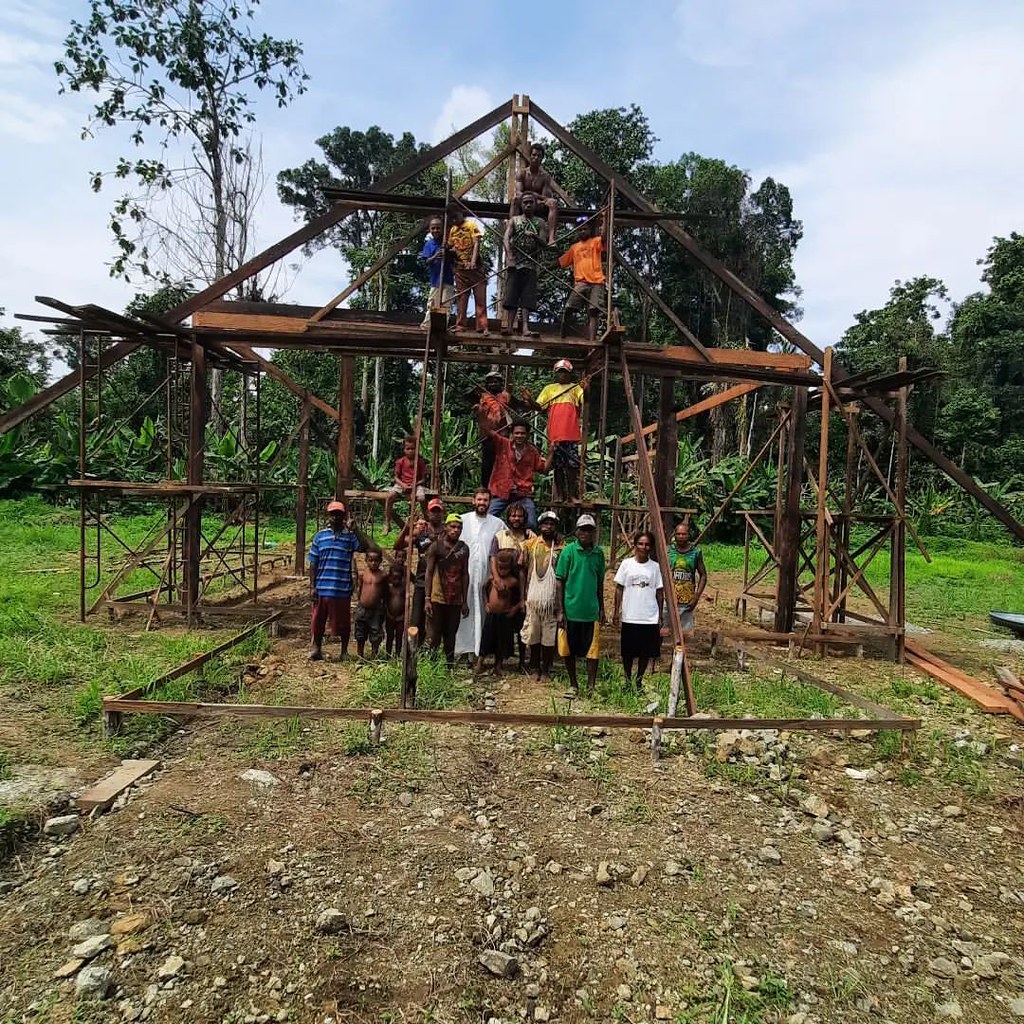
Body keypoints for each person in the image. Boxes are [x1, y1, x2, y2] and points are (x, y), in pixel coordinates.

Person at [308, 499, 381, 661]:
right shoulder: (320, 537)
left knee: (343, 623)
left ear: (344, 516)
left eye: (339, 514)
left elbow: (371, 548)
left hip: (342, 588)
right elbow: (313, 563)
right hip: (321, 587)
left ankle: (344, 651)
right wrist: (312, 586)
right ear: (328, 516)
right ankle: (316, 648)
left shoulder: (350, 538)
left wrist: (356, 531)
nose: (336, 517)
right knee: (317, 621)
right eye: (333, 514)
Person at [521, 359, 586, 503]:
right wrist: (530, 400)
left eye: (564, 372)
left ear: (569, 374)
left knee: (572, 466)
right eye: (559, 372)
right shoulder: (549, 389)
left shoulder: (575, 388)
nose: (562, 375)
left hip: (571, 434)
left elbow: (584, 400)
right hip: (555, 435)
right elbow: (539, 407)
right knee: (557, 467)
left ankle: (572, 495)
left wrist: (586, 389)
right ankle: (560, 495)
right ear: (555, 374)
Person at [555, 513, 606, 695]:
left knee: (592, 652)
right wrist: (560, 610)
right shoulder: (568, 552)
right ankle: (573, 684)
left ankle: (591, 686)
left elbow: (599, 582)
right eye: (582, 529)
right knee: (568, 649)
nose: (585, 533)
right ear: (576, 531)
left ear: (593, 532)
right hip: (570, 609)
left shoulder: (598, 554)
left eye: (589, 530)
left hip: (590, 610)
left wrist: (602, 608)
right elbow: (560, 580)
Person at [477, 412, 549, 530]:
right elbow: (488, 431)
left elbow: (544, 469)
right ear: (512, 434)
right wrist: (480, 414)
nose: (519, 436)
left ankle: (525, 547)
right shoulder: (504, 444)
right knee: (487, 519)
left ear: (527, 435)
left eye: (522, 433)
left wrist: (551, 451)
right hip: (502, 492)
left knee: (531, 523)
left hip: (522, 494)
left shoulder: (532, 452)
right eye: (517, 433)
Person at [455, 489, 504, 660]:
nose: (482, 503)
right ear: (473, 501)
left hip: (486, 576)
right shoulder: (462, 520)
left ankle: (480, 652)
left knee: (483, 611)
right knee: (463, 610)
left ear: (490, 502)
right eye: (479, 499)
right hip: (464, 575)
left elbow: (507, 542)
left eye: (486, 500)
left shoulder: (497, 523)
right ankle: (462, 650)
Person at [613, 531, 664, 689]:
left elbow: (659, 592)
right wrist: (616, 611)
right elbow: (619, 589)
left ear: (651, 547)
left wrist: (660, 616)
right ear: (635, 545)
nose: (644, 547)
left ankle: (639, 680)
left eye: (647, 544)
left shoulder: (655, 567)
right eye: (640, 544)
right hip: (630, 615)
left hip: (649, 616)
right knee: (627, 653)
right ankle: (627, 680)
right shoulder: (626, 564)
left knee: (645, 653)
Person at [489, 502, 534, 672]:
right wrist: (496, 579)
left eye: (520, 516)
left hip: (523, 587)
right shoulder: (500, 536)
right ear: (508, 517)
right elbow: (492, 558)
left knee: (522, 623)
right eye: (513, 515)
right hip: (503, 587)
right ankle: (499, 662)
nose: (516, 519)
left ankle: (522, 661)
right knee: (501, 623)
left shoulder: (530, 537)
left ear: (524, 518)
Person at [424, 513, 471, 669]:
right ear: (445, 527)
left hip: (456, 598)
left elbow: (465, 574)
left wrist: (465, 601)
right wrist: (427, 598)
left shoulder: (463, 549)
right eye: (452, 526)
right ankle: (432, 666)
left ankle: (449, 666)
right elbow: (429, 572)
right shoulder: (436, 547)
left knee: (451, 635)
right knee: (435, 634)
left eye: (459, 527)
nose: (455, 530)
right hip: (438, 597)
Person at [522, 510, 562, 683]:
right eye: (545, 523)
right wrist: (523, 594)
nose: (548, 527)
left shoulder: (562, 547)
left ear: (556, 527)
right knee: (534, 635)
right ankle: (534, 667)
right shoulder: (530, 545)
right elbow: (523, 570)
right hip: (533, 599)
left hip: (551, 601)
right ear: (539, 526)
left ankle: (546, 669)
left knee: (548, 637)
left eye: (552, 524)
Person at [395, 498, 445, 636]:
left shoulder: (447, 532)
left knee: (435, 619)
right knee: (416, 619)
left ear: (442, 514)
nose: (435, 515)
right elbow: (398, 545)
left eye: (438, 512)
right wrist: (407, 527)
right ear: (428, 514)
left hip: (440, 580)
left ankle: (432, 651)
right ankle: (413, 652)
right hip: (422, 580)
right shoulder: (420, 531)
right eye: (432, 512)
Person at [502, 192, 548, 336]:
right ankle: (510, 326)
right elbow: (506, 239)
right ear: (521, 205)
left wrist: (534, 236)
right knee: (511, 296)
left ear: (535, 205)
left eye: (530, 202)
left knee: (527, 298)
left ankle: (525, 328)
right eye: (525, 202)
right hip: (515, 263)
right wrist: (509, 257)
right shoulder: (514, 220)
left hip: (531, 264)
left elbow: (544, 243)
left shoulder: (540, 222)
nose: (528, 205)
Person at [558, 213, 606, 341]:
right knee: (570, 307)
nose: (583, 231)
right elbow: (561, 262)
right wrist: (544, 267)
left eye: (585, 229)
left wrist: (604, 219)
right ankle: (564, 329)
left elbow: (604, 237)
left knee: (593, 311)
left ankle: (591, 340)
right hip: (581, 282)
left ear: (589, 230)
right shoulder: (575, 248)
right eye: (581, 229)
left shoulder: (595, 242)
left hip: (596, 281)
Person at [477, 549, 524, 679]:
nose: (503, 571)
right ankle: (480, 663)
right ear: (496, 567)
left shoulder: (513, 581)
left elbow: (520, 599)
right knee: (486, 639)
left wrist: (514, 609)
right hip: (492, 614)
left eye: (506, 568)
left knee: (501, 641)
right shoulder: (492, 580)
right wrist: (486, 603)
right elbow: (483, 589)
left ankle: (498, 665)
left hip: (505, 616)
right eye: (500, 568)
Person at [448, 206, 489, 335]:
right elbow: (450, 245)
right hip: (461, 269)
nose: (455, 220)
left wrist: (473, 260)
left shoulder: (471, 225)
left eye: (456, 216)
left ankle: (482, 326)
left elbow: (477, 243)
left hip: (476, 269)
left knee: (480, 299)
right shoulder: (453, 230)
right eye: (452, 218)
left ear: (461, 213)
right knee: (462, 299)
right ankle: (460, 325)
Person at [513, 142, 559, 248]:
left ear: (542, 159)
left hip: (538, 203)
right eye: (534, 155)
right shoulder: (522, 173)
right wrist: (531, 195)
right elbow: (519, 192)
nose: (536, 158)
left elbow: (546, 197)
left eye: (539, 156)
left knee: (553, 202)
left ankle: (552, 238)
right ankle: (512, 232)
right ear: (530, 156)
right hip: (524, 202)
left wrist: (535, 196)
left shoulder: (545, 176)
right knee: (515, 199)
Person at [668, 519, 707, 635]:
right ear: (675, 535)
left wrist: (696, 597)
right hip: (669, 598)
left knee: (684, 633)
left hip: (687, 600)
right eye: (678, 534)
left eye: (683, 534)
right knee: (665, 631)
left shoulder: (696, 552)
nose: (681, 536)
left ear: (688, 535)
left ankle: (681, 653)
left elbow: (703, 575)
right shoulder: (669, 550)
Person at [384, 436, 429, 535]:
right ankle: (387, 523)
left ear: (416, 449)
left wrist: (415, 485)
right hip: (401, 484)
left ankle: (428, 520)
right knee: (390, 496)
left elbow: (423, 479)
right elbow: (396, 477)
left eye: (413, 449)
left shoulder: (420, 462)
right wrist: (403, 485)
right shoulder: (400, 461)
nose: (410, 451)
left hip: (416, 485)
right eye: (408, 449)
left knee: (421, 498)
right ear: (404, 449)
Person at [477, 370, 513, 490]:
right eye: (490, 382)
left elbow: (515, 408)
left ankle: (501, 486)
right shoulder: (482, 396)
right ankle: (486, 487)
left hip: (503, 433)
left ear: (501, 383)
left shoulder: (506, 396)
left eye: (496, 382)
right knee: (488, 461)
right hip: (488, 434)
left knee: (503, 461)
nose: (493, 384)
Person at [420, 215, 455, 330]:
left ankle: (442, 326)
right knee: (432, 303)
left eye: (438, 228)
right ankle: (427, 324)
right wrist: (435, 256)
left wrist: (448, 252)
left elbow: (455, 256)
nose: (435, 230)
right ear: (430, 229)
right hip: (435, 280)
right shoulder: (429, 244)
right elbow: (426, 261)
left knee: (446, 303)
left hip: (448, 278)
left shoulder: (447, 243)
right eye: (433, 228)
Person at [354, 549, 387, 659]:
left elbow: (385, 591)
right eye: (371, 560)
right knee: (360, 632)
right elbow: (360, 588)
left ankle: (374, 656)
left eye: (376, 561)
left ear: (380, 561)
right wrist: (359, 600)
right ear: (366, 560)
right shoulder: (363, 574)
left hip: (376, 609)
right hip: (362, 608)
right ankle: (360, 656)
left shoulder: (382, 575)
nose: (373, 563)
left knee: (375, 633)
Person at [385, 561, 406, 657]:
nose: (396, 581)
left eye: (399, 579)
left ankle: (397, 654)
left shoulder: (403, 589)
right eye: (394, 578)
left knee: (399, 636)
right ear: (390, 578)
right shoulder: (389, 588)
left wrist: (403, 615)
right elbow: (385, 602)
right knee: (389, 636)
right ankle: (388, 654)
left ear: (402, 578)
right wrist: (388, 614)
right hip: (390, 616)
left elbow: (406, 603)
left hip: (400, 617)